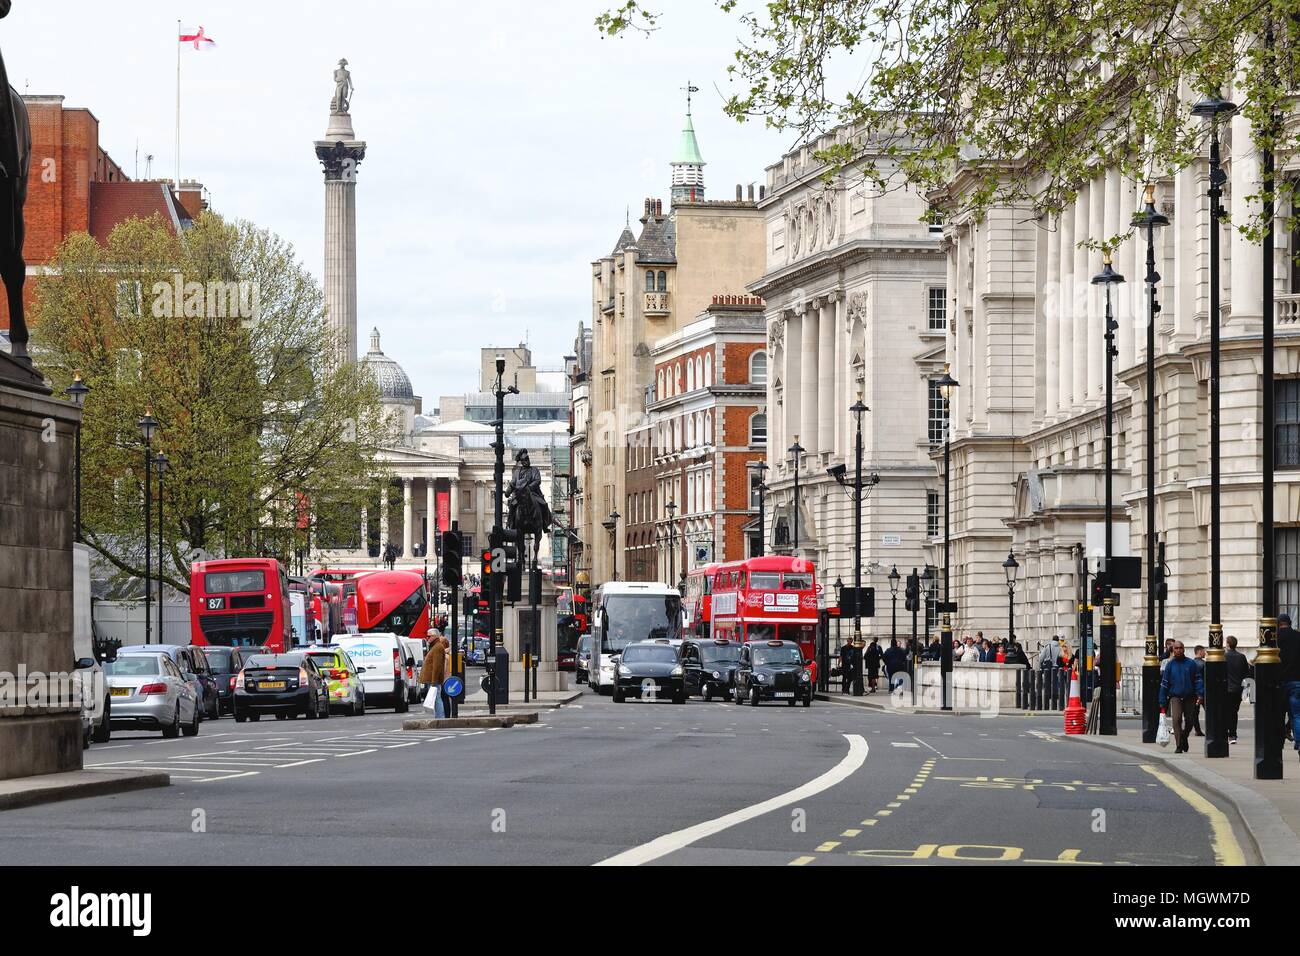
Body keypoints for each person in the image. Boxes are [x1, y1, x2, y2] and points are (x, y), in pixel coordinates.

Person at [1159, 641, 1204, 754]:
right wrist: (1162, 700)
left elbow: (1198, 680)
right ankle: (1179, 745)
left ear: (1184, 649)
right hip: (1176, 696)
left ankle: (1184, 736)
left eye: (1180, 648)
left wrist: (1200, 694)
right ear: (1173, 650)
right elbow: (1164, 684)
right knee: (1177, 719)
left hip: (1190, 696)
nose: (1178, 650)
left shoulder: (1191, 664)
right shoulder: (1170, 665)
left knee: (1190, 721)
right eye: (1176, 648)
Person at [1279, 613, 1300, 756]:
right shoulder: (1298, 636)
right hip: (1297, 680)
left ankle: (1277, 743)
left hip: (1279, 682)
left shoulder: (1274, 637)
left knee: (1277, 715)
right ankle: (1299, 743)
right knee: (1297, 715)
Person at [1224, 635, 1251, 744]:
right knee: (1234, 712)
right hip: (1237, 689)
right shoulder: (1242, 657)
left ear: (1228, 644)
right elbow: (1246, 673)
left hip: (1226, 689)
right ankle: (1233, 734)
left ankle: (1227, 732)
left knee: (1226, 712)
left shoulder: (1224, 656)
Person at [419, 631, 450, 719]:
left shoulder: (437, 648)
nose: (427, 638)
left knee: (437, 699)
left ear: (435, 636)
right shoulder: (435, 647)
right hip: (433, 680)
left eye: (429, 636)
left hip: (434, 680)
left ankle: (440, 717)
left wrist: (433, 681)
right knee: (436, 699)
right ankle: (439, 716)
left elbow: (437, 666)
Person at [1190, 645, 1206, 737]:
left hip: (1193, 691)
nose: (1205, 653)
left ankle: (1197, 730)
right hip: (1203, 691)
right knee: (1209, 711)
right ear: (1200, 652)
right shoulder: (1204, 664)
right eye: (1204, 651)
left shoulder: (1191, 663)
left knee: (1195, 712)